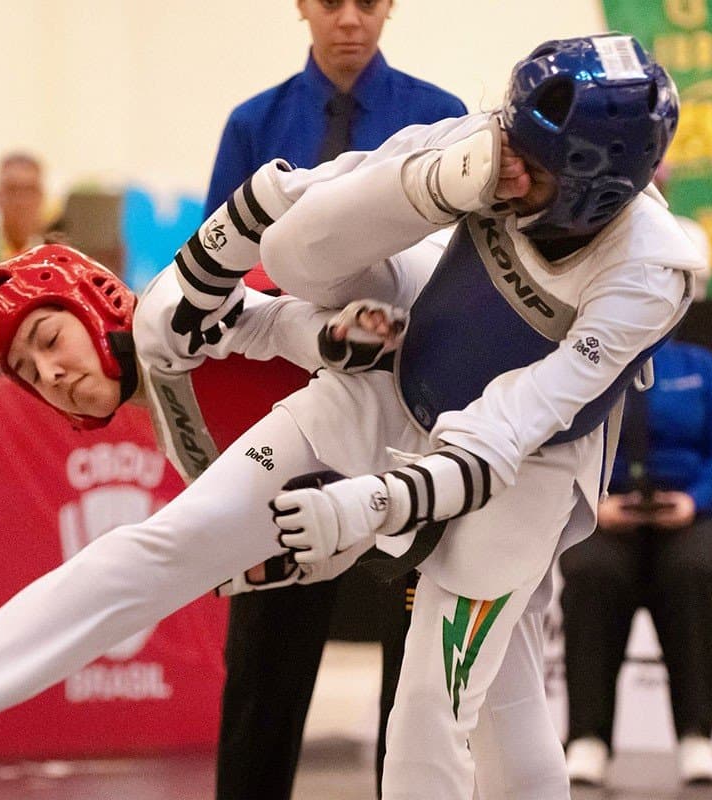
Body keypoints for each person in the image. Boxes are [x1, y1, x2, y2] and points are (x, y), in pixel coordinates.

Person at [0, 35, 701, 800]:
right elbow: (307, 217)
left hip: (524, 473)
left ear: (590, 185)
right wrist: (214, 270)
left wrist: (368, 502)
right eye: (30, 368)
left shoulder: (653, 268)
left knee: (436, 700)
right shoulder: (481, 144)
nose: (501, 167)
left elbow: (515, 423)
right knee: (170, 539)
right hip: (394, 382)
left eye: (49, 342)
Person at [201, 2, 466, 796]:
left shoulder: (442, 117)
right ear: (301, 8)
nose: (348, 18)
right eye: (329, 0)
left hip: (411, 414)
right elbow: (217, 270)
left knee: (415, 670)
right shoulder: (254, 123)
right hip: (287, 407)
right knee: (263, 664)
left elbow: (465, 268)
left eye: (367, 0)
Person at [559, 337, 712, 787]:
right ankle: (588, 738)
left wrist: (693, 501)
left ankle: (696, 737)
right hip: (606, 515)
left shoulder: (702, 366)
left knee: (693, 572)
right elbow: (562, 447)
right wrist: (592, 505)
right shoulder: (588, 363)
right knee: (589, 572)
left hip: (692, 516)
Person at [0, 152, 50, 270]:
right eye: (12, 190)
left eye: (30, 190)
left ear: (41, 196)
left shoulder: (54, 256)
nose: (21, 201)